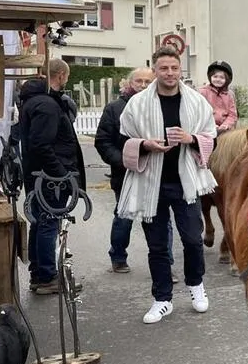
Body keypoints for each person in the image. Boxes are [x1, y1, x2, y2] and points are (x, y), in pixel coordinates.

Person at [118, 46, 218, 324]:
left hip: (186, 182)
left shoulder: (196, 101)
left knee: (193, 240)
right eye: (164, 68)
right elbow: (121, 139)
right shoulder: (137, 103)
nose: (170, 73)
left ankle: (196, 285)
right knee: (158, 246)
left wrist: (191, 139)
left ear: (180, 70)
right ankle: (162, 299)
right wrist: (145, 145)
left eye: (174, 68)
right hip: (151, 183)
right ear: (155, 71)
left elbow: (212, 137)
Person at [94, 67, 174, 273]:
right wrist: (123, 161)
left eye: (148, 81)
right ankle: (118, 256)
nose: (143, 85)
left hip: (158, 173)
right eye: (139, 81)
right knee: (124, 218)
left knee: (162, 220)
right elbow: (103, 141)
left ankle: (166, 264)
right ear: (130, 83)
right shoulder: (115, 108)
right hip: (125, 173)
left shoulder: (163, 105)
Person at [17, 58, 85, 293]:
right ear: (61, 76)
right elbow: (41, 145)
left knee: (40, 223)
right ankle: (46, 277)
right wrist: (62, 174)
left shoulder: (36, 101)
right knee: (48, 223)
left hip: (40, 176)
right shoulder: (46, 105)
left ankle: (39, 275)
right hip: (50, 179)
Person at [199, 61, 238, 137]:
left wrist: (225, 125)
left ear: (227, 80)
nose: (218, 79)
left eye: (222, 77)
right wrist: (212, 126)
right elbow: (200, 113)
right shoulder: (203, 92)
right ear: (210, 77)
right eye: (215, 76)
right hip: (207, 129)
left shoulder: (229, 95)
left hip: (225, 130)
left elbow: (232, 115)